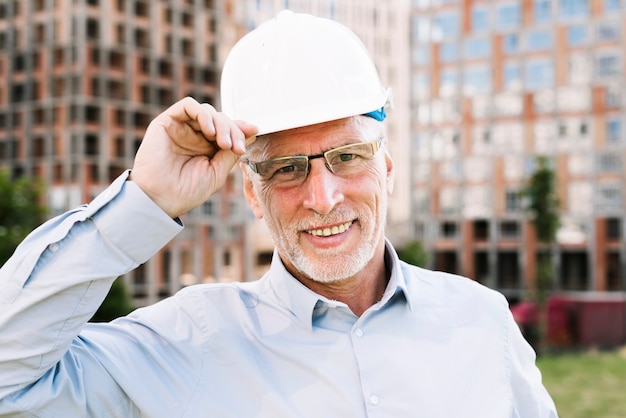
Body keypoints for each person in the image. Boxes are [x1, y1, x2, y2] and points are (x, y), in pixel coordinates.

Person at [0, 10, 557, 417]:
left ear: (386, 166)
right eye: (287, 168)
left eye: (347, 157)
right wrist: (143, 201)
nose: (323, 197)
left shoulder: (481, 322)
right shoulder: (184, 343)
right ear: (251, 191)